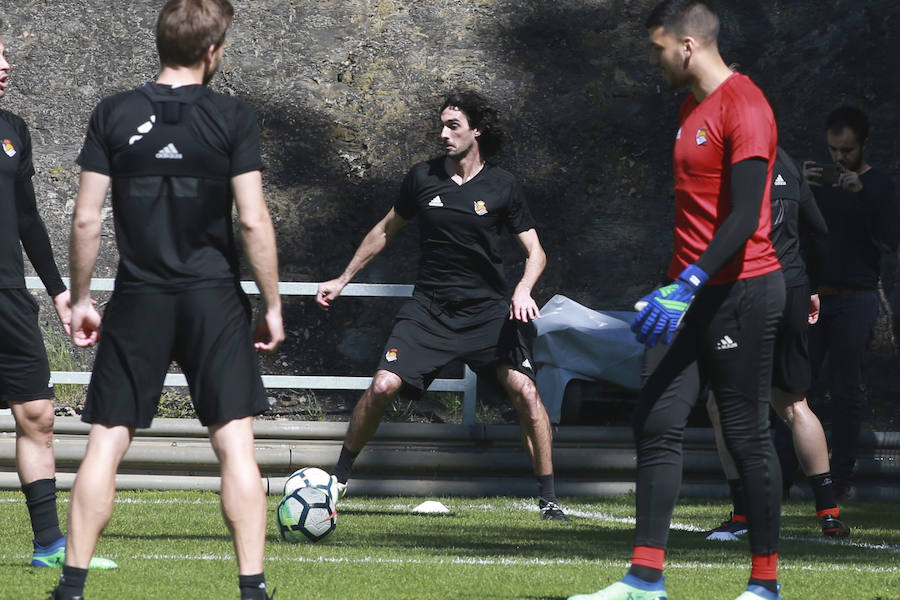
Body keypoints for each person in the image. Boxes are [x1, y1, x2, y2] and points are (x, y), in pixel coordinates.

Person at [51, 1, 284, 599]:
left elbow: (85, 220)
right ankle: (252, 588)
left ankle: (71, 587)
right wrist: (273, 304)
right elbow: (254, 222)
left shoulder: (114, 113)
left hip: (139, 296)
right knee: (235, 442)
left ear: (160, 44)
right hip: (212, 299)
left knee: (106, 438)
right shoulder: (233, 117)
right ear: (212, 52)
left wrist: (80, 298)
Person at [568, 2, 784, 599]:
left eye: (656, 48)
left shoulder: (747, 105)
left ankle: (764, 586)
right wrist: (674, 285)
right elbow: (695, 216)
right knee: (655, 419)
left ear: (687, 45)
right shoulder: (691, 107)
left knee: (745, 435)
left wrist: (690, 282)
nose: (653, 60)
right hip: (687, 291)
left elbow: (744, 217)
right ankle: (645, 581)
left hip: (741, 290)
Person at [317, 89, 568, 521]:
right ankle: (337, 480)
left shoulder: (503, 185)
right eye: (442, 125)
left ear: (477, 131)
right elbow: (384, 231)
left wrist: (523, 290)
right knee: (381, 387)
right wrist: (342, 278)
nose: (444, 134)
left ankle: (548, 500)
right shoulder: (422, 177)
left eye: (453, 126)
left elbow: (537, 252)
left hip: (488, 312)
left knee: (527, 392)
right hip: (429, 310)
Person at [0, 33, 116, 572]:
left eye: (6, 54)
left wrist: (59, 290)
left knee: (39, 415)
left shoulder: (13, 131)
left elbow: (26, 218)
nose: (5, 67)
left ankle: (48, 544)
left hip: (7, 298)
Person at [705, 146, 849, 541]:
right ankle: (829, 512)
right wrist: (814, 286)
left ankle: (742, 516)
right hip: (795, 288)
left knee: (722, 402)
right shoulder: (786, 162)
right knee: (794, 403)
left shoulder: (731, 165)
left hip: (751, 290)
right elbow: (819, 232)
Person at [801, 106, 900, 501]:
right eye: (833, 150)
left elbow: (891, 238)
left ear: (863, 145)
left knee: (845, 391)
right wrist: (795, 186)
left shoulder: (878, 186)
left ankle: (839, 478)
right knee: (796, 388)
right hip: (812, 296)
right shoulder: (818, 182)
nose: (839, 159)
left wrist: (863, 196)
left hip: (855, 297)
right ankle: (789, 475)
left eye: (847, 150)